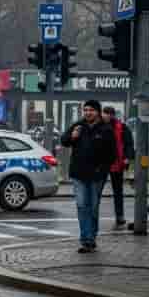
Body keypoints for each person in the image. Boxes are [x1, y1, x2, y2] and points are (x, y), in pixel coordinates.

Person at [59, 100, 118, 254]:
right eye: (85, 110)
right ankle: (86, 239)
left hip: (96, 176)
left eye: (91, 110)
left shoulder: (105, 129)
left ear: (98, 112)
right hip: (78, 174)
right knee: (81, 205)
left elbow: (112, 155)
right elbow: (64, 141)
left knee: (93, 207)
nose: (87, 113)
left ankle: (91, 237)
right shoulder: (78, 126)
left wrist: (101, 170)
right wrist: (72, 137)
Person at [99, 105, 136, 229]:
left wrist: (127, 157)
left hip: (117, 163)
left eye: (109, 114)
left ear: (113, 115)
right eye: (105, 114)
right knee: (98, 190)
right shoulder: (99, 126)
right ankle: (115, 215)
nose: (107, 116)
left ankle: (119, 215)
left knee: (118, 191)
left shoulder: (122, 127)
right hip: (103, 163)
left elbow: (129, 144)